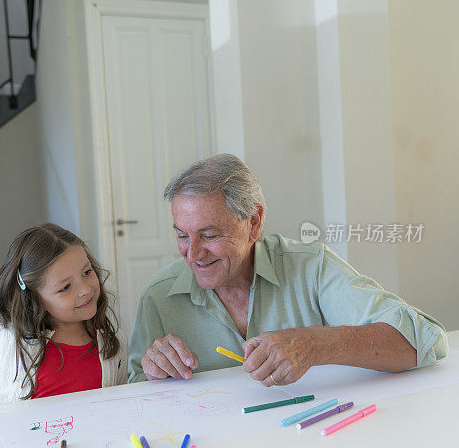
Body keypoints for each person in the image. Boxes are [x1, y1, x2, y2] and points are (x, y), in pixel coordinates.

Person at [129, 154, 448, 386]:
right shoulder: (160, 296)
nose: (193, 253)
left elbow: (425, 342)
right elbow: (133, 391)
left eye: (210, 235)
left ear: (253, 223)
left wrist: (315, 344)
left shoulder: (311, 266)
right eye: (182, 235)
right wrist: (154, 369)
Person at [0, 223, 127, 406]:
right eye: (65, 287)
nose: (85, 289)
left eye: (87, 272)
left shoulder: (114, 341)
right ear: (34, 298)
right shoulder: (11, 343)